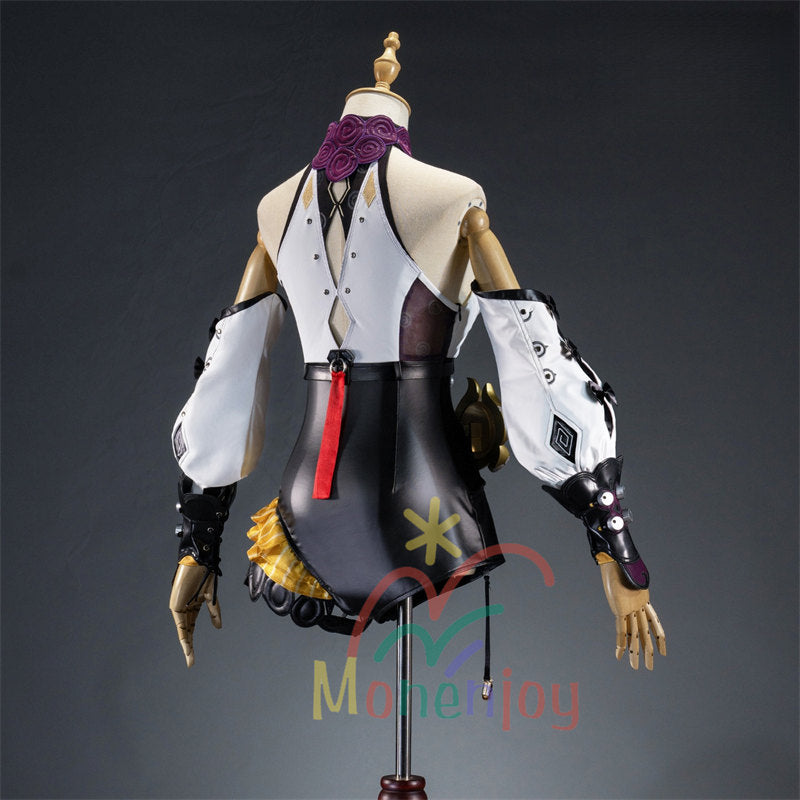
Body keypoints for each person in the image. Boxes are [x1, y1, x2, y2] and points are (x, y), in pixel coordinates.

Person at [168, 32, 666, 672]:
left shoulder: (273, 210)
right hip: (425, 506)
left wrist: (198, 546)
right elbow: (535, 360)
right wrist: (616, 546)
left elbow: (225, 381)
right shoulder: (457, 200)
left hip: (308, 509)